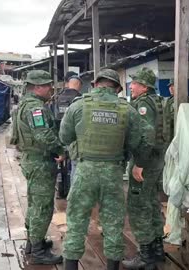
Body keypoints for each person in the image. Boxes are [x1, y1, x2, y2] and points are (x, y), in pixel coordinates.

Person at [60, 69, 153, 270]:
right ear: (118, 89)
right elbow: (138, 141)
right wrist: (131, 159)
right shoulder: (128, 110)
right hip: (113, 172)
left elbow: (65, 137)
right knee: (113, 222)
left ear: (94, 85)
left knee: (76, 220)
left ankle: (70, 266)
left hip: (84, 170)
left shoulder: (78, 106)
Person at [13, 70, 65, 265]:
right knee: (42, 206)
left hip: (31, 159)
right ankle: (37, 252)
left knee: (35, 203)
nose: (51, 88)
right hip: (39, 161)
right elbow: (43, 135)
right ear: (37, 87)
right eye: (47, 85)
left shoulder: (24, 105)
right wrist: (61, 149)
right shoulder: (36, 109)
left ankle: (33, 242)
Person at [123, 67, 166, 270]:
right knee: (151, 202)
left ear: (144, 87)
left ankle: (145, 256)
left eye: (135, 84)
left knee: (139, 205)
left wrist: (139, 164)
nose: (131, 86)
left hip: (146, 161)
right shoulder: (157, 101)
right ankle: (157, 249)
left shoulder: (142, 105)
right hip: (156, 160)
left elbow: (146, 136)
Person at [52, 74, 83, 198]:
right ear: (79, 86)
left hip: (59, 137)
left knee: (61, 166)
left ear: (67, 84)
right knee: (74, 167)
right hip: (76, 140)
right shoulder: (81, 100)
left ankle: (61, 191)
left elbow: (52, 119)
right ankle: (73, 193)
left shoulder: (57, 98)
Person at [163, 79, 189, 145]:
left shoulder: (184, 99)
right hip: (169, 133)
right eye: (170, 86)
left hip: (178, 133)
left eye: (173, 86)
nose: (171, 88)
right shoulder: (169, 100)